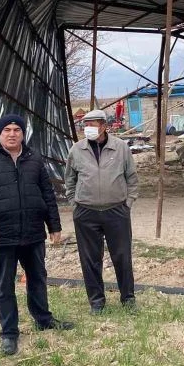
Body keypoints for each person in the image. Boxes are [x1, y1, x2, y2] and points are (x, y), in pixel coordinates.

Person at [0, 113, 73, 356]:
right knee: (5, 286)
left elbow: (47, 193)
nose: (12, 134)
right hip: (2, 234)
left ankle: (43, 319)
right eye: (7, 130)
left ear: (23, 134)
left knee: (38, 278)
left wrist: (54, 225)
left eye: (17, 130)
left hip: (33, 233)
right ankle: (9, 333)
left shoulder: (34, 159)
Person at [64, 109, 138, 314]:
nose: (88, 129)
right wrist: (74, 203)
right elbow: (69, 179)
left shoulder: (121, 148)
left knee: (122, 256)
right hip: (86, 212)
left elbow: (131, 178)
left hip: (116, 211)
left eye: (93, 124)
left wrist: (128, 203)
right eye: (85, 125)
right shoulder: (77, 150)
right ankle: (96, 301)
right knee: (89, 258)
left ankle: (128, 298)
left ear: (104, 126)